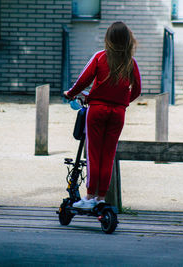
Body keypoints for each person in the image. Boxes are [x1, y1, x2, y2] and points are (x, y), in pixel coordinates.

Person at [63, 21, 141, 209]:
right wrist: (122, 102)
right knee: (108, 154)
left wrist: (70, 94)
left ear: (108, 39)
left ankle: (89, 196)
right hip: (118, 114)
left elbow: (83, 81)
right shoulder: (131, 63)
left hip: (97, 111)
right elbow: (137, 90)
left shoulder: (100, 57)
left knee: (93, 154)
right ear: (128, 40)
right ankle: (101, 198)